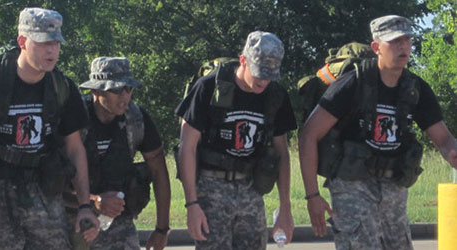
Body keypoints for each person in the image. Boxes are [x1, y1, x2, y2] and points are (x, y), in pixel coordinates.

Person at [299, 15, 457, 250]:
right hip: (352, 185)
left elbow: (443, 138)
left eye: (406, 40)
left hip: (394, 186)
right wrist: (312, 196)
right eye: (394, 41)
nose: (403, 46)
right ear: (376, 47)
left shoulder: (415, 88)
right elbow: (308, 134)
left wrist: (451, 151)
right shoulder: (353, 84)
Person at [0, 7, 98, 249]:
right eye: (43, 42)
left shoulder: (62, 87)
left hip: (43, 193)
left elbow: (75, 148)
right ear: (22, 41)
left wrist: (85, 205)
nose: (52, 49)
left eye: (56, 42)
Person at [175, 31, 296, 249]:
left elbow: (281, 153)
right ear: (243, 61)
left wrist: (285, 208)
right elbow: (187, 147)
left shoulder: (276, 96)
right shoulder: (209, 87)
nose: (264, 81)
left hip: (251, 188)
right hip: (210, 188)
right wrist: (192, 204)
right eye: (260, 73)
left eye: (270, 75)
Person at [67, 56, 171, 250]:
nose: (125, 96)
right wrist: (94, 201)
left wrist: (161, 230)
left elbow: (159, 172)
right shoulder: (74, 119)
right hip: (71, 214)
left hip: (116, 221)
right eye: (116, 89)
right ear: (95, 90)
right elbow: (50, 181)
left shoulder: (136, 120)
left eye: (129, 88)